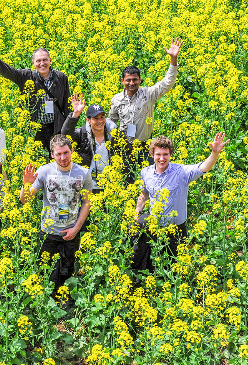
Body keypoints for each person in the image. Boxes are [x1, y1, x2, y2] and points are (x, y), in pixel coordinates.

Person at [130, 132, 230, 273]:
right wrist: (137, 212)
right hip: (155, 227)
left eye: (165, 154)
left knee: (173, 270)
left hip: (175, 230)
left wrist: (214, 153)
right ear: (152, 155)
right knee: (153, 267)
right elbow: (144, 194)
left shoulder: (181, 171)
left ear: (171, 154)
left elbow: (204, 167)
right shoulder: (145, 172)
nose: (162, 158)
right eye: (158, 154)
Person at [20, 135, 93, 296]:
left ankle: (64, 303)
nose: (63, 157)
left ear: (72, 151)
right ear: (52, 154)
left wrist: (76, 228)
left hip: (71, 231)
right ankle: (47, 304)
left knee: (67, 271)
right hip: (48, 231)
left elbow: (87, 202)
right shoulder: (44, 171)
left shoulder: (83, 173)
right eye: (58, 154)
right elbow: (25, 200)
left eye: (66, 153)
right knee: (46, 272)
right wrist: (26, 184)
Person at [0, 42, 72, 151]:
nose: (42, 63)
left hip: (56, 128)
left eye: (45, 60)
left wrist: (67, 130)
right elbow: (8, 72)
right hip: (33, 129)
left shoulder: (61, 77)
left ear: (50, 61)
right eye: (38, 61)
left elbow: (67, 104)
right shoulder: (26, 76)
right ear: (33, 63)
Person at [109, 38, 183, 174]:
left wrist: (173, 59)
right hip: (125, 147)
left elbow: (168, 82)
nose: (131, 83)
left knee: (149, 180)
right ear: (122, 81)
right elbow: (111, 122)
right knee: (127, 180)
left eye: (135, 80)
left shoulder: (148, 94)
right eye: (128, 80)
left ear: (140, 80)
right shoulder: (117, 99)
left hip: (145, 146)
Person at [61, 93, 130, 192]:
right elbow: (65, 136)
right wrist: (75, 114)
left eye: (102, 117)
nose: (100, 121)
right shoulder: (82, 134)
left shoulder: (114, 134)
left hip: (111, 185)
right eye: (96, 118)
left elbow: (126, 155)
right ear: (88, 120)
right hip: (88, 186)